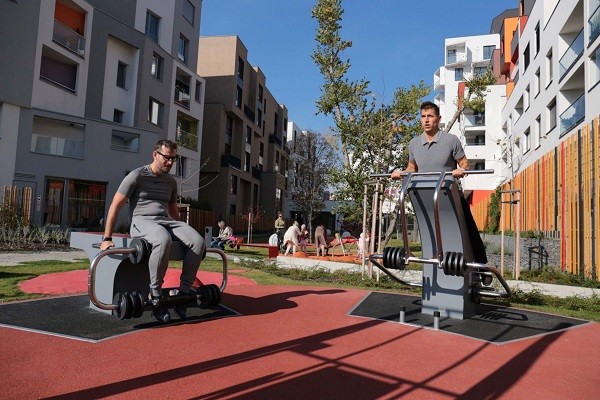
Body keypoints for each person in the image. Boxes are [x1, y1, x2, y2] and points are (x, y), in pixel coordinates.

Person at [100, 139, 206, 323]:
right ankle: (155, 294)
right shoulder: (136, 176)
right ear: (155, 154)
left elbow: (173, 211)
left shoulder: (171, 181)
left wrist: (181, 233)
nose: (170, 162)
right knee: (162, 239)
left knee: (198, 241)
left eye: (173, 159)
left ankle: (183, 294)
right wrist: (107, 238)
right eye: (167, 158)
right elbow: (115, 206)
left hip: (165, 221)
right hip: (142, 222)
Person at [391, 101, 487, 263]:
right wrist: (400, 173)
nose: (426, 120)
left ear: (438, 118)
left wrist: (461, 170)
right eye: (423, 116)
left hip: (450, 195)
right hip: (426, 196)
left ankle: (481, 268)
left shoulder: (451, 140)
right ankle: (435, 265)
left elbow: (465, 163)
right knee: (432, 234)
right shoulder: (414, 143)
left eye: (430, 116)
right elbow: (412, 168)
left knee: (470, 234)